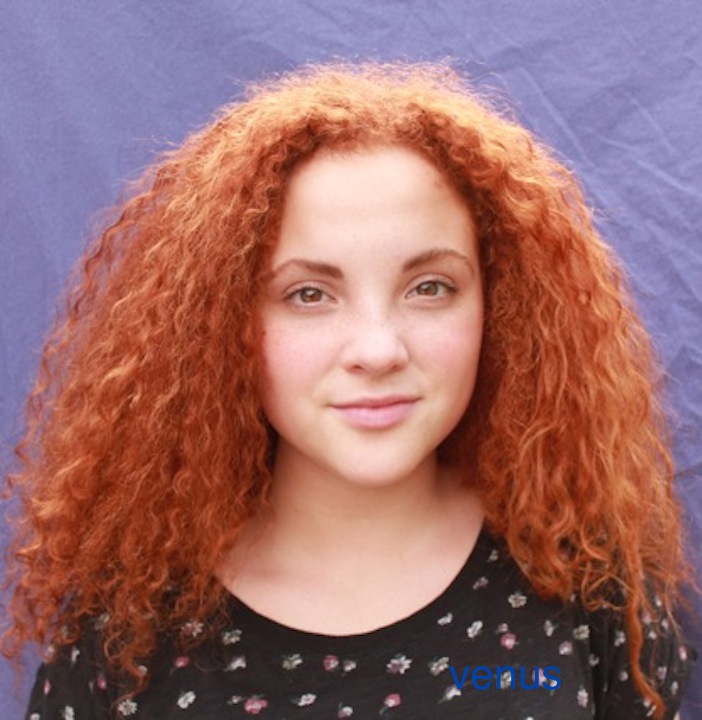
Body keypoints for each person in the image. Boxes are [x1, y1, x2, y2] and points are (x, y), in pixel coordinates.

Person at [2, 62, 696, 719]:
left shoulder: (592, 589)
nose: (377, 350)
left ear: (502, 308)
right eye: (308, 294)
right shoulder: (127, 632)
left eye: (431, 288)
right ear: (220, 324)